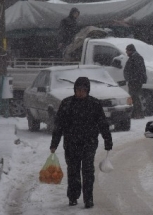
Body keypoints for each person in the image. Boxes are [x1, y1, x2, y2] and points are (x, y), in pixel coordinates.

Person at [50, 77, 112, 209]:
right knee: (73, 171)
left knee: (88, 171)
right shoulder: (67, 104)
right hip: (71, 143)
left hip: (89, 143)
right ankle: (73, 196)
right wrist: (54, 143)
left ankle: (88, 198)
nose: (81, 92)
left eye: (83, 90)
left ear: (87, 90)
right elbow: (59, 125)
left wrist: (108, 140)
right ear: (75, 90)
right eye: (78, 90)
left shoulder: (94, 104)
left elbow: (102, 124)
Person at [123, 44, 147, 119]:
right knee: (135, 97)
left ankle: (137, 113)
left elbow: (137, 71)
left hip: (135, 82)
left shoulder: (135, 58)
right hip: (135, 81)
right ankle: (137, 113)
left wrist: (132, 79)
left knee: (134, 97)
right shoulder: (136, 57)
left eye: (127, 50)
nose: (126, 52)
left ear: (130, 50)